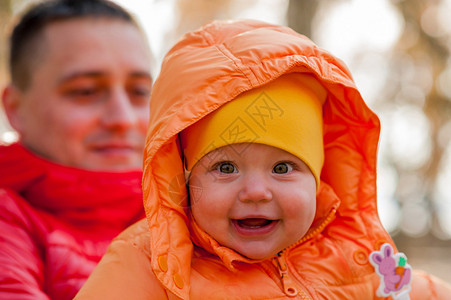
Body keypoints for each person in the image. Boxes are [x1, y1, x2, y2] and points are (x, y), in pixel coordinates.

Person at [75, 20, 451, 299]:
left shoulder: (353, 255)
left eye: (283, 167)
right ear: (185, 175)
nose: (255, 191)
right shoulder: (148, 260)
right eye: (225, 167)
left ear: (318, 178)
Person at [0, 0, 152, 299]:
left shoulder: (207, 208)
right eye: (85, 91)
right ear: (15, 109)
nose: (123, 119)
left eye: (139, 92)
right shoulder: (9, 220)